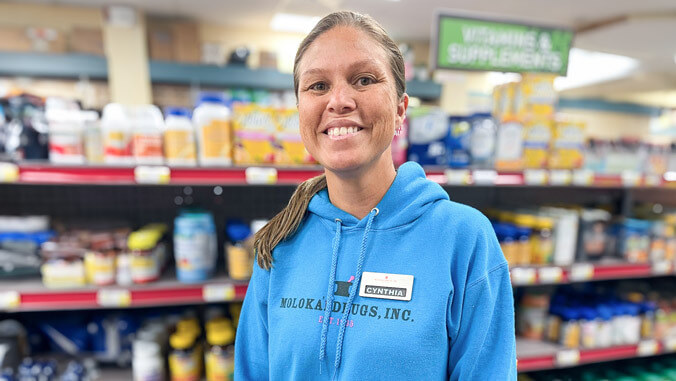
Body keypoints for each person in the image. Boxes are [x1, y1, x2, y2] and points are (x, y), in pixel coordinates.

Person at [235, 10, 516, 380]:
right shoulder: (280, 241)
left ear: (401, 109)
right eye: (317, 86)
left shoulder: (463, 238)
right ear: (300, 111)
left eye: (363, 79)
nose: (338, 101)